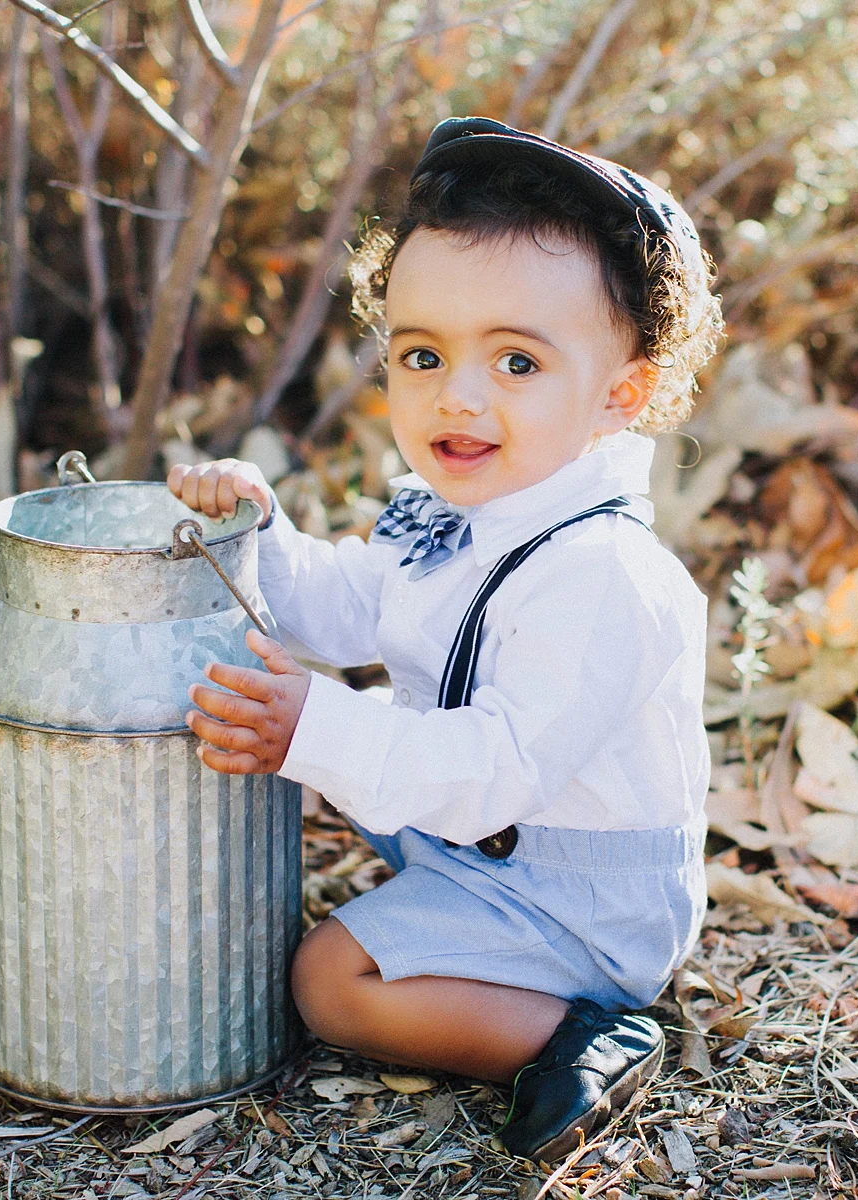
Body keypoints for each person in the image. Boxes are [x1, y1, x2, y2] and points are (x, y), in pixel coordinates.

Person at [168, 116, 723, 1161]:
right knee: (332, 742)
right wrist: (259, 534)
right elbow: (345, 603)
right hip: (481, 835)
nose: (455, 396)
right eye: (422, 354)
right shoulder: (468, 508)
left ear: (622, 394)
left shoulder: (603, 576)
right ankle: (450, 915)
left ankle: (583, 1033)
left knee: (328, 983)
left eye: (516, 361)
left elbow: (500, 768)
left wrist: (319, 733)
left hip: (575, 893)